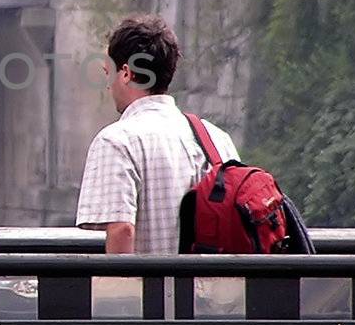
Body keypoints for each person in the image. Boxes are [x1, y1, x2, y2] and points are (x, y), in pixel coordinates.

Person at [76, 14, 238, 254]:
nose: (108, 85)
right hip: (208, 290)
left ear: (126, 73)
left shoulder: (116, 141)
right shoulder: (216, 138)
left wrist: (118, 290)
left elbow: (123, 230)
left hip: (153, 290)